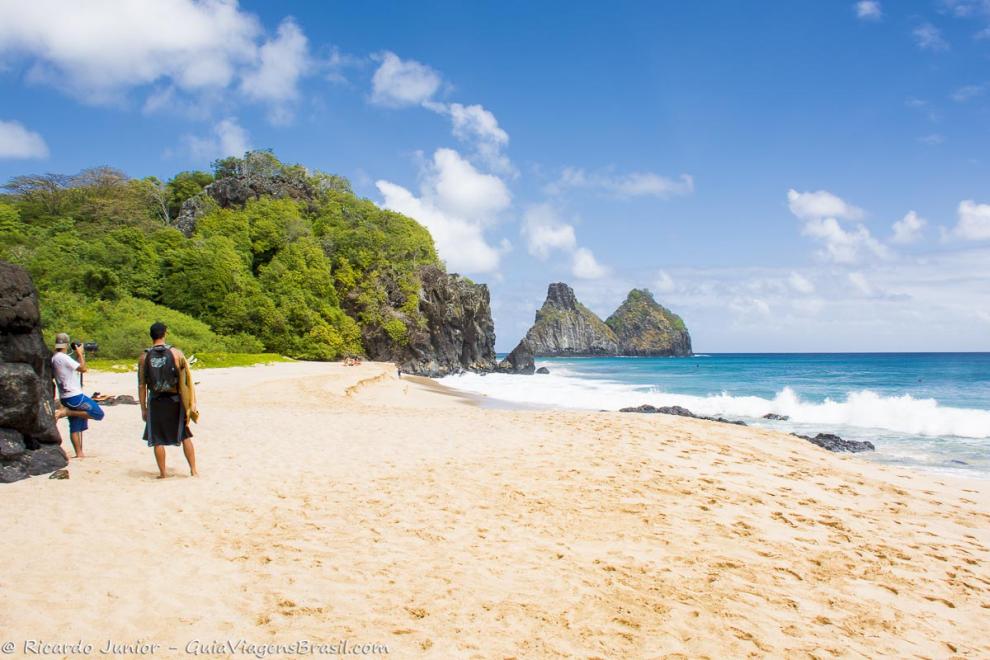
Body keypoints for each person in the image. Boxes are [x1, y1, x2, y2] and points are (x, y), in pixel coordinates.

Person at [137, 322, 199, 478]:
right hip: (175, 400)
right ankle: (193, 470)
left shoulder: (144, 357)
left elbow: (141, 385)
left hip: (155, 401)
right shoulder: (176, 354)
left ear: (151, 335)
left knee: (157, 439)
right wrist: (190, 404)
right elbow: (186, 381)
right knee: (185, 435)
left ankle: (163, 473)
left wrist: (143, 408)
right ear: (165, 334)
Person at [52, 332, 104, 458]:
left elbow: (71, 368)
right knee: (98, 413)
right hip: (74, 396)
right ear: (66, 344)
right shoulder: (63, 357)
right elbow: (83, 368)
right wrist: (80, 353)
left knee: (75, 424)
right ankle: (65, 412)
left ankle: (79, 453)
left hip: (65, 396)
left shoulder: (56, 357)